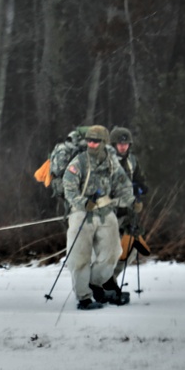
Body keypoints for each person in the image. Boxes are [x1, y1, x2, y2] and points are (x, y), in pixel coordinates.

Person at [61, 125, 135, 310]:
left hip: (105, 212)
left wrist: (125, 200)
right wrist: (83, 202)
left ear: (104, 143)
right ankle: (83, 297)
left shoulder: (111, 162)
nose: (92, 144)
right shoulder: (78, 162)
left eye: (96, 141)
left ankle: (95, 283)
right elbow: (68, 188)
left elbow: (123, 183)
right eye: (89, 140)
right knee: (79, 256)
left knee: (112, 253)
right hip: (81, 213)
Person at [105, 126, 149, 297]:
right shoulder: (106, 161)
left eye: (126, 144)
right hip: (109, 212)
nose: (123, 147)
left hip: (128, 213)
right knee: (109, 250)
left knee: (131, 248)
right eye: (119, 143)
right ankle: (102, 283)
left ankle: (110, 279)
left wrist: (139, 190)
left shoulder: (132, 161)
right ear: (113, 144)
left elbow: (141, 180)